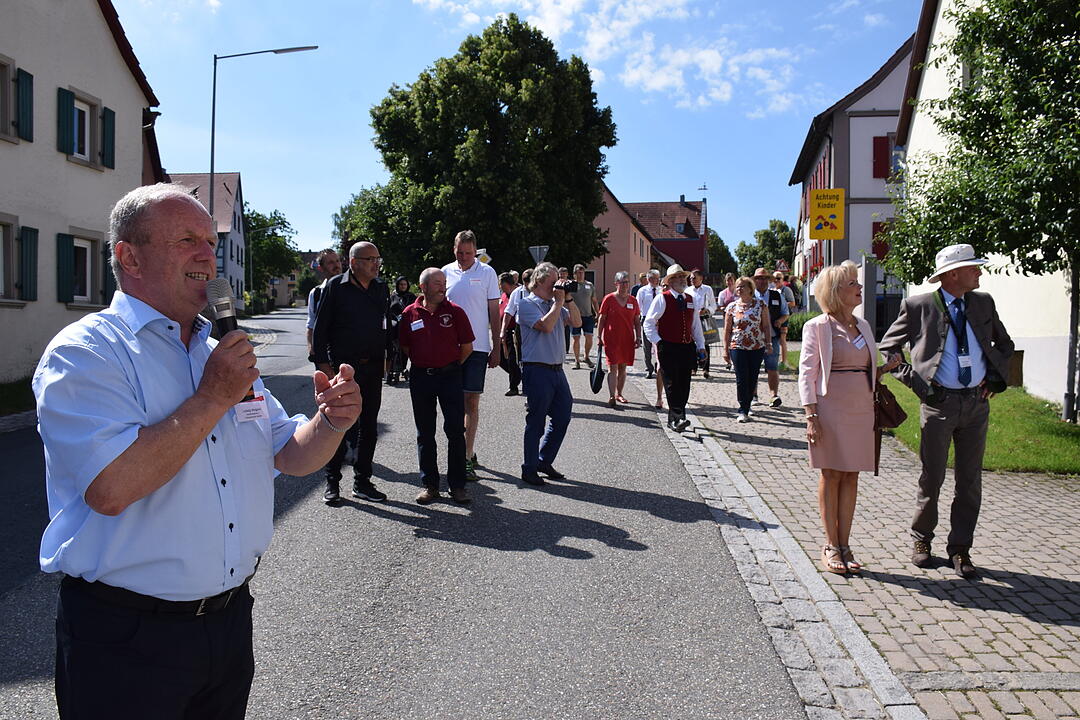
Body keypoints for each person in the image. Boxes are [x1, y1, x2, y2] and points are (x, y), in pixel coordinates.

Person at [34, 183, 361, 719]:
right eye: (187, 239)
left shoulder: (218, 352)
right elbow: (111, 488)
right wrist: (212, 395)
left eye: (210, 241)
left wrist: (330, 421)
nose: (208, 255)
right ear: (128, 255)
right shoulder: (87, 352)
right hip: (126, 640)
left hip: (228, 626)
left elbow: (289, 452)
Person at [879, 244, 1014, 579]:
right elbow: (888, 349)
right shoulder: (918, 305)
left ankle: (960, 549)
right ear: (954, 274)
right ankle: (922, 540)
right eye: (974, 268)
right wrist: (919, 383)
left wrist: (993, 380)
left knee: (969, 481)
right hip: (939, 404)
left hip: (975, 405)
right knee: (932, 477)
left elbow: (1005, 344)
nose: (980, 273)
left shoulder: (983, 303)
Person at [799, 265, 902, 574]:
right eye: (852, 283)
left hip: (861, 408)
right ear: (835, 292)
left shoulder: (864, 326)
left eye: (858, 282)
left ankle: (845, 545)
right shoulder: (818, 326)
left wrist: (885, 369)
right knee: (831, 474)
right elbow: (807, 372)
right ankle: (830, 545)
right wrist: (810, 414)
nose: (859, 287)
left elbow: (865, 367)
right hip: (829, 409)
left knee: (852, 475)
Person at [312, 240, 391, 504]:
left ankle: (363, 481)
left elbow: (385, 325)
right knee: (340, 425)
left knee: (369, 427)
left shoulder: (381, 288)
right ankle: (332, 481)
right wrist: (323, 366)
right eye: (371, 259)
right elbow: (320, 330)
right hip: (343, 371)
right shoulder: (336, 287)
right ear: (354, 263)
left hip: (372, 369)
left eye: (378, 258)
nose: (376, 264)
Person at [398, 268, 475, 505]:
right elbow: (406, 346)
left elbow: (467, 347)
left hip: (450, 376)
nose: (442, 287)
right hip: (421, 378)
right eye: (436, 283)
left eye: (444, 283)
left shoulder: (455, 312)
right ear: (423, 287)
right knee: (425, 433)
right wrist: (427, 363)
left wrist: (448, 366)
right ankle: (430, 485)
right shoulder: (409, 313)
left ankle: (457, 485)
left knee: (455, 431)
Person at [442, 230, 501, 481]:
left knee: (471, 403)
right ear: (454, 249)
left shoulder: (487, 273)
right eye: (459, 253)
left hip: (477, 348)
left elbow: (494, 313)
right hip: (449, 348)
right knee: (452, 404)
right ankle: (463, 448)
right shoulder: (444, 272)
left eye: (468, 253)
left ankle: (465, 458)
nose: (464, 257)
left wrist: (496, 346)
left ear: (475, 251)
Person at [516, 261, 582, 486]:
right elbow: (545, 326)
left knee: (563, 416)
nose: (558, 286)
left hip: (557, 370)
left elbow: (577, 322)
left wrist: (568, 300)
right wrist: (559, 302)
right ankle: (529, 467)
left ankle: (544, 460)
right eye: (555, 282)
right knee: (536, 421)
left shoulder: (557, 304)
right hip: (537, 369)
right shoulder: (527, 304)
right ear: (542, 280)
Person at [644, 264, 706, 432]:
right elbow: (648, 323)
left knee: (684, 384)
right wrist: (659, 342)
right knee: (671, 384)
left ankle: (676, 418)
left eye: (682, 277)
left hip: (686, 347)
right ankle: (678, 419)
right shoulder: (662, 298)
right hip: (668, 346)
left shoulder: (690, 299)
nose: (681, 280)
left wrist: (700, 346)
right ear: (670, 281)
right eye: (677, 277)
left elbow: (695, 325)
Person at [723, 276, 769, 423]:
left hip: (756, 346)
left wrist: (769, 343)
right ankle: (743, 409)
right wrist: (725, 349)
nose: (739, 289)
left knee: (752, 378)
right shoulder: (732, 307)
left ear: (750, 289)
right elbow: (727, 330)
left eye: (742, 286)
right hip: (737, 346)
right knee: (741, 378)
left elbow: (766, 326)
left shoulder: (760, 305)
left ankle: (748, 405)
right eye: (737, 286)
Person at [596, 271, 642, 407]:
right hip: (612, 339)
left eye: (627, 282)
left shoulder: (633, 300)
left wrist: (638, 337)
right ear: (616, 283)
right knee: (613, 367)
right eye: (622, 282)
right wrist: (599, 336)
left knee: (623, 368)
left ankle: (619, 393)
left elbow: (637, 321)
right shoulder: (609, 299)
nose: (625, 285)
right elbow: (602, 318)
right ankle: (611, 395)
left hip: (627, 339)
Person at [753, 267, 790, 406]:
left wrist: (780, 321)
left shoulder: (776, 295)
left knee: (772, 367)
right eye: (758, 278)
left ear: (768, 280)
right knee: (753, 368)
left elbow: (786, 312)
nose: (761, 281)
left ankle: (773, 396)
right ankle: (753, 395)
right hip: (753, 339)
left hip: (772, 337)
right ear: (754, 280)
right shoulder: (750, 296)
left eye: (764, 278)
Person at [306, 248, 342, 364]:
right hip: (324, 355)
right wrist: (311, 347)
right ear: (321, 268)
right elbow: (311, 324)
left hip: (348, 353)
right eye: (331, 262)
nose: (336, 265)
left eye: (337, 261)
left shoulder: (352, 290)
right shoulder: (316, 293)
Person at [387, 275, 416, 385]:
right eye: (401, 284)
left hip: (409, 326)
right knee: (396, 349)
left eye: (404, 284)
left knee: (406, 349)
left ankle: (403, 368)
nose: (403, 286)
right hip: (395, 327)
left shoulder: (411, 297)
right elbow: (388, 310)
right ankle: (394, 369)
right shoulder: (393, 297)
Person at [570, 263, 600, 369]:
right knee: (576, 338)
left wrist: (598, 313)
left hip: (588, 315)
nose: (580, 275)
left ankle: (586, 357)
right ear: (574, 274)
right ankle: (577, 360)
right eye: (578, 273)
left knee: (589, 337)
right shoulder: (572, 285)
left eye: (582, 272)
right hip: (575, 316)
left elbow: (594, 301)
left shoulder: (589, 285)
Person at [497, 272, 522, 396]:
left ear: (506, 284)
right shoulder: (503, 295)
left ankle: (513, 386)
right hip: (504, 332)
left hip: (515, 332)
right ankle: (518, 375)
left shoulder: (517, 294)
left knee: (512, 360)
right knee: (500, 358)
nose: (499, 287)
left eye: (500, 284)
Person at [690, 269, 718, 379]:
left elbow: (713, 306)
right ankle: (693, 367)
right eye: (691, 278)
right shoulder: (688, 290)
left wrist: (707, 310)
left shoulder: (707, 289)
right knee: (692, 344)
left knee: (705, 344)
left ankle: (706, 368)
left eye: (694, 278)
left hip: (704, 319)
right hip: (692, 319)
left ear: (701, 278)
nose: (692, 280)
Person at [637, 269, 662, 379]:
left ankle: (659, 365)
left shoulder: (661, 290)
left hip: (659, 319)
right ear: (648, 279)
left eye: (657, 278)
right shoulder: (642, 291)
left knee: (659, 344)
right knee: (647, 347)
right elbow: (638, 306)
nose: (656, 281)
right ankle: (649, 368)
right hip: (646, 319)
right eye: (654, 278)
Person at [774, 270, 797, 368]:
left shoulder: (786, 290)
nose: (776, 280)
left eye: (778, 278)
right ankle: (774, 361)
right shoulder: (772, 290)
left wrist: (781, 304)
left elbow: (792, 303)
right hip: (773, 317)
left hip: (783, 317)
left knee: (782, 339)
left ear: (782, 280)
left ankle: (784, 361)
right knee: (773, 339)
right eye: (774, 278)